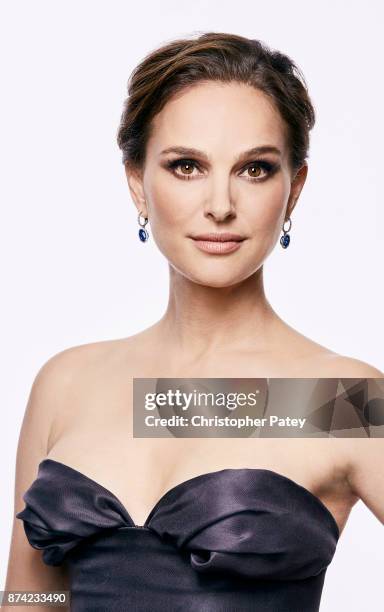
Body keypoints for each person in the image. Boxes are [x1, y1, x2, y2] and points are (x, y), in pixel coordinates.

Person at [4, 31, 384, 612]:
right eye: (186, 166)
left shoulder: (346, 400)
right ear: (138, 181)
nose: (221, 204)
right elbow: (30, 597)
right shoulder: (67, 383)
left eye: (255, 169)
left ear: (295, 188)